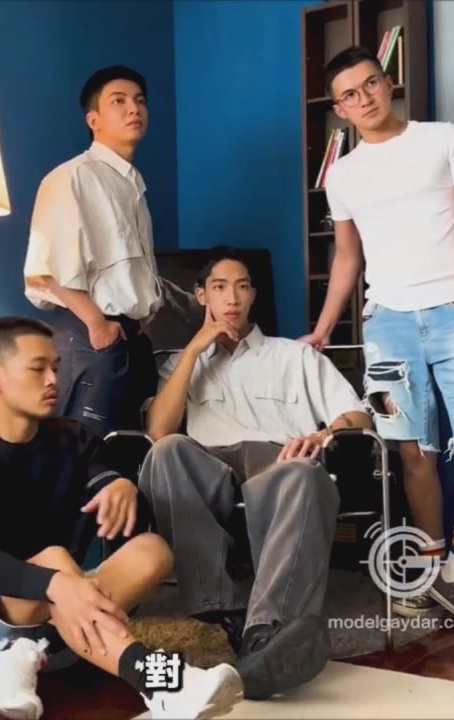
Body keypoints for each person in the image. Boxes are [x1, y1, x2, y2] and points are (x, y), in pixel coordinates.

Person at [300, 45, 454, 636]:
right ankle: (427, 574)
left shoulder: (444, 139)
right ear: (339, 108)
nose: (364, 98)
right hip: (388, 323)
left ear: (388, 82)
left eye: (370, 83)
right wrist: (325, 326)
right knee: (413, 452)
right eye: (349, 94)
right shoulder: (342, 173)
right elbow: (347, 257)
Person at [0, 317, 243, 720]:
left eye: (55, 367)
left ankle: (22, 655)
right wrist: (57, 584)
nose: (53, 380)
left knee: (151, 551)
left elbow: (106, 482)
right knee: (55, 559)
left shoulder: (72, 437)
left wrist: (122, 486)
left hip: (60, 617)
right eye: (37, 368)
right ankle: (163, 683)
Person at [139, 247, 372, 700]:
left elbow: (357, 416)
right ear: (201, 295)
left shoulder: (294, 356)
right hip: (208, 466)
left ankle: (266, 632)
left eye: (242, 287)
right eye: (220, 287)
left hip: (279, 461)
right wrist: (194, 350)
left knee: (305, 474)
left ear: (253, 295)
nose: (232, 298)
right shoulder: (182, 363)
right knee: (165, 451)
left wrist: (322, 435)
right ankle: (222, 610)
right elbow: (157, 430)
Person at [23, 64, 162, 439]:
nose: (133, 109)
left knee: (130, 453)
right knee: (82, 453)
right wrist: (96, 323)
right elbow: (44, 266)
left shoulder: (132, 183)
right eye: (119, 101)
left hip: (128, 339)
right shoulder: (73, 176)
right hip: (89, 334)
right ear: (94, 119)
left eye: (139, 101)